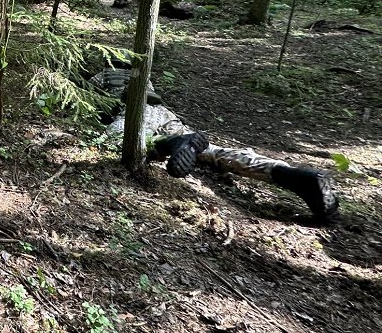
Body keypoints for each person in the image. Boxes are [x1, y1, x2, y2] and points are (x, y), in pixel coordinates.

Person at [92, 68, 339, 221]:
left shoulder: (104, 75)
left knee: (115, 143)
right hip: (165, 114)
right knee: (214, 152)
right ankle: (287, 173)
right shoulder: (143, 73)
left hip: (136, 112)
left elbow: (87, 100)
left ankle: (171, 144)